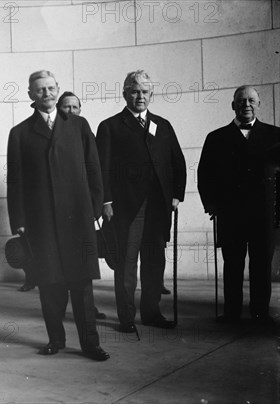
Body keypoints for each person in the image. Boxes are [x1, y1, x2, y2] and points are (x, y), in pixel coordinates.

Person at [7, 70, 109, 361]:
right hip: (41, 223)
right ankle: (56, 340)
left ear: (58, 90)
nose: (47, 94)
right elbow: (15, 182)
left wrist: (93, 206)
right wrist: (20, 222)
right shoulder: (20, 133)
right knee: (49, 283)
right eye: (40, 90)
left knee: (82, 286)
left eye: (51, 88)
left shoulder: (78, 125)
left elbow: (94, 168)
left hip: (77, 220)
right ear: (31, 95)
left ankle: (91, 344)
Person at [95, 70, 186, 334]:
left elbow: (177, 162)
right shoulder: (110, 126)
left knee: (155, 259)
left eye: (145, 92)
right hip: (126, 208)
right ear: (125, 94)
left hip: (159, 208)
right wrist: (106, 201)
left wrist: (177, 194)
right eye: (134, 91)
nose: (140, 96)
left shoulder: (163, 125)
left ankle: (151, 312)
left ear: (151, 95)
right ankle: (126, 317)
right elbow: (103, 168)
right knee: (126, 262)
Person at [197, 85, 280, 324]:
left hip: (263, 214)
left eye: (251, 101)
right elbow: (205, 175)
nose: (246, 105)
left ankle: (260, 313)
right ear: (233, 105)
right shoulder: (216, 138)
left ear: (258, 104)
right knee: (233, 263)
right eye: (241, 101)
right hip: (230, 214)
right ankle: (232, 312)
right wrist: (211, 204)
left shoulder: (275, 135)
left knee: (261, 265)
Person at [56, 91, 107, 321]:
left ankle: (88, 309)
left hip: (81, 211)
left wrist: (95, 207)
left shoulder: (84, 128)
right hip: (58, 214)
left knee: (84, 265)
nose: (71, 111)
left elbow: (94, 168)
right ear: (58, 108)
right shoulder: (52, 132)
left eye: (75, 107)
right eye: (66, 107)